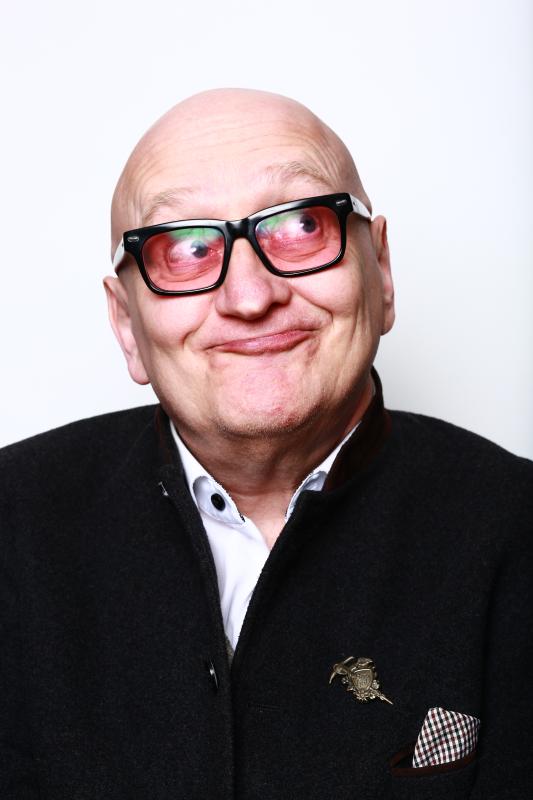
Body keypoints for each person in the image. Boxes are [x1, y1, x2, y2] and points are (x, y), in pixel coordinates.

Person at [0, 88, 531, 800]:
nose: (250, 297)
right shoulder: (12, 524)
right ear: (127, 325)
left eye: (301, 225)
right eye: (186, 249)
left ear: (380, 271)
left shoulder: (516, 530)